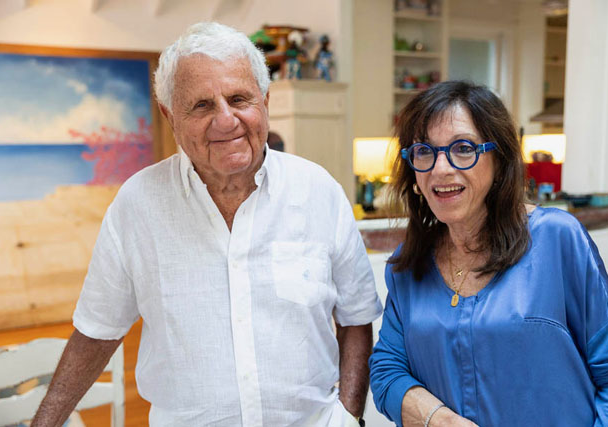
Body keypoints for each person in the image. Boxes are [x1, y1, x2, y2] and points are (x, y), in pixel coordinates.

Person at [32, 22, 382, 426]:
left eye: (239, 99)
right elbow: (97, 331)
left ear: (265, 101)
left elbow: (356, 319)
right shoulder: (138, 204)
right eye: (201, 105)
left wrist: (349, 417)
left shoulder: (319, 191)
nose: (226, 120)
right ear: (170, 116)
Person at [369, 80, 608, 426]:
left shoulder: (557, 240)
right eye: (423, 151)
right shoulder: (409, 264)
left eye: (463, 148)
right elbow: (387, 369)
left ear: (499, 160)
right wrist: (438, 419)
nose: (440, 168)